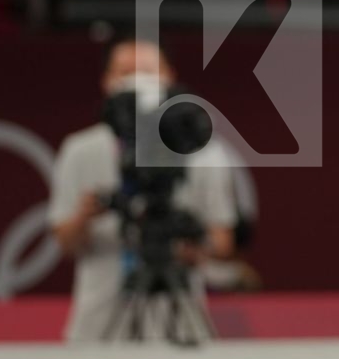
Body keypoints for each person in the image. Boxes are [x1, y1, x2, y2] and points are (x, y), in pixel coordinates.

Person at [49, 39, 238, 343]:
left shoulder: (204, 152)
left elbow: (223, 242)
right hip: (98, 330)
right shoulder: (79, 150)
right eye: (125, 72)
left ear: (170, 77)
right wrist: (84, 218)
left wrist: (193, 249)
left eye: (148, 71)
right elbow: (65, 243)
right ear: (107, 81)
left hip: (181, 331)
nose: (137, 82)